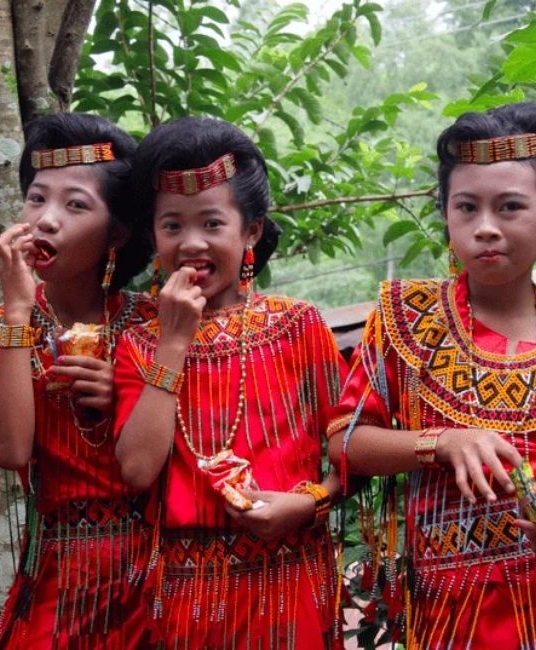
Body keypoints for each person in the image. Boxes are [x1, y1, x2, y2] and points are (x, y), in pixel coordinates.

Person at [327, 102, 536, 648]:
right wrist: (439, 443)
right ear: (446, 213)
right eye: (466, 207)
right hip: (446, 614)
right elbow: (347, 442)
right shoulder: (403, 317)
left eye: (509, 207)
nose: (484, 228)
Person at [113, 117, 347, 648]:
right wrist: (173, 342)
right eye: (172, 226)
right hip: (186, 596)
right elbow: (136, 469)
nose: (191, 243)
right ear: (153, 235)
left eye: (212, 224)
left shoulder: (299, 326)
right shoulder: (140, 344)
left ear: (252, 232)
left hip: (294, 582)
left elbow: (350, 454)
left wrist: (310, 502)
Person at [0, 112, 154, 648]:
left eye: (75, 205)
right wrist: (19, 313)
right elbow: (10, 449)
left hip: (159, 566)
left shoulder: (157, 322)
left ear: (116, 232)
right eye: (36, 199)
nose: (45, 220)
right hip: (60, 567)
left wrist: (127, 396)